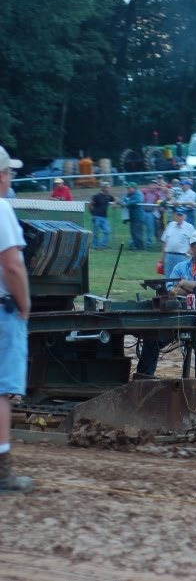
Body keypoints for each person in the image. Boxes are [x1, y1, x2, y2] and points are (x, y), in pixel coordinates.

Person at [0, 146, 33, 494]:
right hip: (2, 310)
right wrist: (24, 306)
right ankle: (2, 471)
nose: (11, 178)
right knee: (1, 393)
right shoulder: (2, 209)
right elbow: (12, 264)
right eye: (9, 172)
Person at [161, 207, 195, 277]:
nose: (179, 217)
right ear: (175, 216)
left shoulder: (189, 227)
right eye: (177, 215)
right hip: (169, 256)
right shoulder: (170, 225)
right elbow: (165, 241)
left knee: (182, 278)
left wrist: (188, 254)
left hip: (182, 257)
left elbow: (194, 243)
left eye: (181, 215)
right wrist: (163, 257)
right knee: (168, 278)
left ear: (185, 216)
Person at [89, 182, 116, 250]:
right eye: (108, 187)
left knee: (107, 231)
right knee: (96, 232)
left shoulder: (108, 196)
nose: (109, 189)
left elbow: (116, 199)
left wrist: (114, 203)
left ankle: (103, 245)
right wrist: (93, 214)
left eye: (110, 187)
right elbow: (90, 205)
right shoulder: (97, 196)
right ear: (103, 188)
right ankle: (95, 246)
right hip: (96, 216)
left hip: (104, 217)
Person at [120, 183, 146, 250]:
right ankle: (136, 246)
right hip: (131, 217)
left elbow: (138, 200)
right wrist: (123, 202)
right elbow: (123, 198)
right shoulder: (128, 194)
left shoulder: (139, 194)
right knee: (133, 233)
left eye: (129, 188)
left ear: (134, 188)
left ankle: (140, 248)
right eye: (127, 188)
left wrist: (127, 203)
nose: (128, 189)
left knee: (137, 233)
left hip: (138, 217)